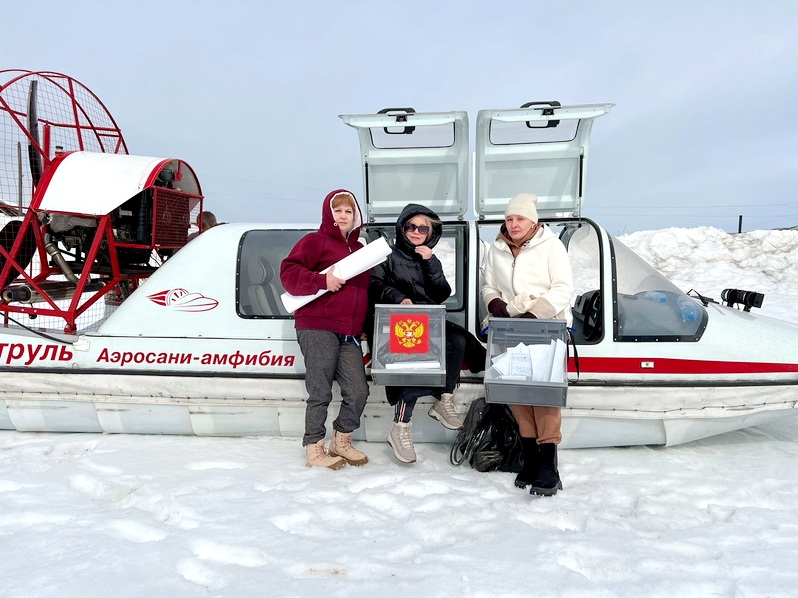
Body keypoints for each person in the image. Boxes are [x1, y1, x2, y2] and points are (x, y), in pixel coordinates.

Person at [370, 203, 486, 464]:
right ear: (402, 227)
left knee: (457, 340)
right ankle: (400, 427)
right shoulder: (386, 254)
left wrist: (431, 263)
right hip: (395, 323)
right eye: (411, 226)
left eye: (423, 228)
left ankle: (444, 398)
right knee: (411, 368)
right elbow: (375, 284)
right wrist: (398, 298)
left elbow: (442, 293)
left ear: (430, 233)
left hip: (426, 321)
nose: (416, 232)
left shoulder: (430, 257)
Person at [481, 193, 574, 496]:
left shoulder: (552, 246)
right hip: (509, 326)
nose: (513, 224)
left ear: (533, 221)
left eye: (519, 218)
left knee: (544, 395)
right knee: (518, 392)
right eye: (509, 219)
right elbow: (488, 285)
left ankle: (549, 466)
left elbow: (564, 288)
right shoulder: (495, 249)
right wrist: (493, 302)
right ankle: (531, 459)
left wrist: (537, 314)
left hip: (545, 326)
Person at [280, 189, 371, 469]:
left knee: (358, 390)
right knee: (320, 391)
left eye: (348, 211)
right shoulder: (314, 241)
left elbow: (363, 292)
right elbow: (288, 272)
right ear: (328, 214)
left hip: (349, 332)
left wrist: (362, 327)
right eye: (337, 210)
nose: (343, 216)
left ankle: (341, 441)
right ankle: (314, 448)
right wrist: (322, 281)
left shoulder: (360, 250)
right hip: (317, 326)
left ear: (355, 216)